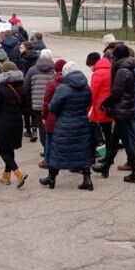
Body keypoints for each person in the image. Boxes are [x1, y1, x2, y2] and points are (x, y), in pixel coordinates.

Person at [39, 61, 94, 190]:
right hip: (82, 123)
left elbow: (52, 106)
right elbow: (88, 102)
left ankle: (51, 178)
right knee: (83, 151)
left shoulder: (63, 88)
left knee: (57, 151)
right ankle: (87, 180)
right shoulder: (86, 86)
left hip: (65, 124)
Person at [91, 44, 135, 183]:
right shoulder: (127, 67)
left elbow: (116, 92)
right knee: (113, 139)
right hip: (124, 108)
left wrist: (105, 103)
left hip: (121, 110)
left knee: (126, 141)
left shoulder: (122, 70)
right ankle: (106, 167)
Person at [0, 62, 28, 188]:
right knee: (9, 148)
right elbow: (25, 106)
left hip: (3, 122)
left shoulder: (0, 87)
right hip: (17, 121)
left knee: (2, 149)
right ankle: (6, 176)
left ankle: (18, 172)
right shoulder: (23, 86)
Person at [25, 50, 55, 149]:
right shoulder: (54, 70)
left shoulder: (32, 70)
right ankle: (52, 149)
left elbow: (26, 86)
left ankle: (46, 148)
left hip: (37, 104)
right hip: (53, 103)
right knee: (53, 126)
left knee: (41, 127)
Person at [40, 59, 67, 169]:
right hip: (65, 114)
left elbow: (46, 102)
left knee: (50, 138)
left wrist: (44, 115)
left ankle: (47, 160)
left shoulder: (51, 83)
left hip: (52, 115)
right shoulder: (68, 82)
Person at [87, 50, 113, 157]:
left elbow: (92, 93)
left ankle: (99, 156)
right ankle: (108, 154)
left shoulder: (97, 74)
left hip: (100, 108)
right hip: (110, 107)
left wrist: (87, 109)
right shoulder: (110, 69)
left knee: (97, 133)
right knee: (108, 133)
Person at [18, 41, 40, 140]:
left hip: (25, 84)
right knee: (33, 108)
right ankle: (35, 129)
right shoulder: (37, 56)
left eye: (22, 47)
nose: (20, 49)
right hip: (35, 83)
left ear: (26, 48)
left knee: (25, 108)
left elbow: (21, 72)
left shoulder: (23, 58)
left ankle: (28, 130)